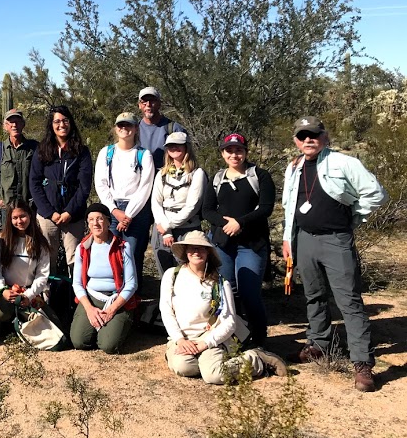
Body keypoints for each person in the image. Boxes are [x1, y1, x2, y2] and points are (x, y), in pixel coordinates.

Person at [281, 117, 388, 392]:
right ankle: (319, 343)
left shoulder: (344, 163)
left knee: (349, 301)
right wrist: (287, 239)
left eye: (313, 135)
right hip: (304, 240)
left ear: (324, 137)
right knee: (314, 296)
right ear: (296, 140)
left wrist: (354, 217)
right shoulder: (293, 167)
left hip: (336, 240)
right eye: (302, 136)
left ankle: (362, 363)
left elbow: (375, 193)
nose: (308, 140)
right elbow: (288, 206)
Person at [161, 231, 286, 384]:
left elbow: (229, 321)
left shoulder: (220, 283)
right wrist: (180, 340)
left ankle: (255, 360)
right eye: (192, 248)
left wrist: (205, 344)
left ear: (208, 252)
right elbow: (166, 311)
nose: (196, 252)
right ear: (185, 251)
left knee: (214, 375)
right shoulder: (172, 276)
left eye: (201, 248)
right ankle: (211, 362)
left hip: (209, 338)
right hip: (182, 339)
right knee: (184, 367)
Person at [202, 133, 275, 347]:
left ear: (246, 152)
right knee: (227, 293)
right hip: (223, 245)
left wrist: (240, 222)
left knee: (249, 291)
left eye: (239, 150)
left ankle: (259, 338)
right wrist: (226, 223)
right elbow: (207, 210)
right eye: (229, 150)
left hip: (251, 244)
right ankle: (233, 336)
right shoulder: (217, 178)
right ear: (223, 153)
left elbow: (266, 208)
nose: (234, 155)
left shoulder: (259, 176)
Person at [29, 105, 93, 276]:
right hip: (47, 215)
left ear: (71, 122)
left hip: (73, 216)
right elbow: (34, 183)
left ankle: (76, 297)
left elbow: (84, 186)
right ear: (51, 125)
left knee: (75, 258)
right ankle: (47, 297)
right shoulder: (42, 150)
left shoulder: (81, 151)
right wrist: (50, 213)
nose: (61, 125)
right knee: (47, 258)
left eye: (65, 120)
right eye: (57, 121)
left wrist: (69, 212)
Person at [94, 112, 155, 290]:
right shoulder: (107, 153)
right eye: (120, 125)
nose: (124, 129)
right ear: (115, 128)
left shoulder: (144, 155)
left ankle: (133, 301)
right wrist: (114, 211)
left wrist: (128, 215)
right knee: (110, 254)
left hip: (137, 211)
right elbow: (101, 184)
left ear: (136, 129)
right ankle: (111, 295)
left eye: (128, 125)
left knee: (133, 256)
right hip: (111, 210)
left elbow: (145, 188)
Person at [70, 203, 137, 353]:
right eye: (91, 219)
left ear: (108, 221)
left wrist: (111, 311)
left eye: (100, 219)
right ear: (87, 223)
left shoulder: (123, 247)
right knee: (79, 341)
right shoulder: (83, 247)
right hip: (92, 298)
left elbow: (131, 284)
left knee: (108, 346)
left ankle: (119, 325)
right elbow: (77, 283)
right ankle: (99, 327)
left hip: (116, 300)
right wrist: (89, 309)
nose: (96, 223)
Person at [0, 198, 53, 327]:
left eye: (22, 216)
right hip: (8, 291)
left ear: (29, 215)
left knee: (45, 322)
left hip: (30, 293)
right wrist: (3, 290)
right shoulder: (1, 241)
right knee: (1, 314)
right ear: (9, 220)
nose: (19, 221)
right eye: (15, 218)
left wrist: (28, 295)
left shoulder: (40, 244)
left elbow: (42, 275)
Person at [150, 131, 207, 277]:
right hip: (162, 229)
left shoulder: (197, 173)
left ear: (186, 147)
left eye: (178, 145)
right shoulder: (161, 173)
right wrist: (166, 231)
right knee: (166, 273)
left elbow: (193, 206)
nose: (174, 148)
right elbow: (156, 203)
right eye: (170, 146)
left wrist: (168, 226)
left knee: (189, 271)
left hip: (187, 228)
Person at [0, 108, 38, 226]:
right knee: (9, 242)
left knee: (31, 241)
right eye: (11, 122)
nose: (14, 125)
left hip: (30, 207)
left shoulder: (35, 148)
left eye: (17, 121)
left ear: (23, 124)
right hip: (8, 208)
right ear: (5, 126)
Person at [136, 86, 186, 169]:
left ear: (159, 103)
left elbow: (186, 159)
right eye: (144, 101)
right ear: (139, 105)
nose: (148, 104)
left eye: (152, 100)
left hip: (166, 178)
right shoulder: (133, 130)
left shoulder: (173, 129)